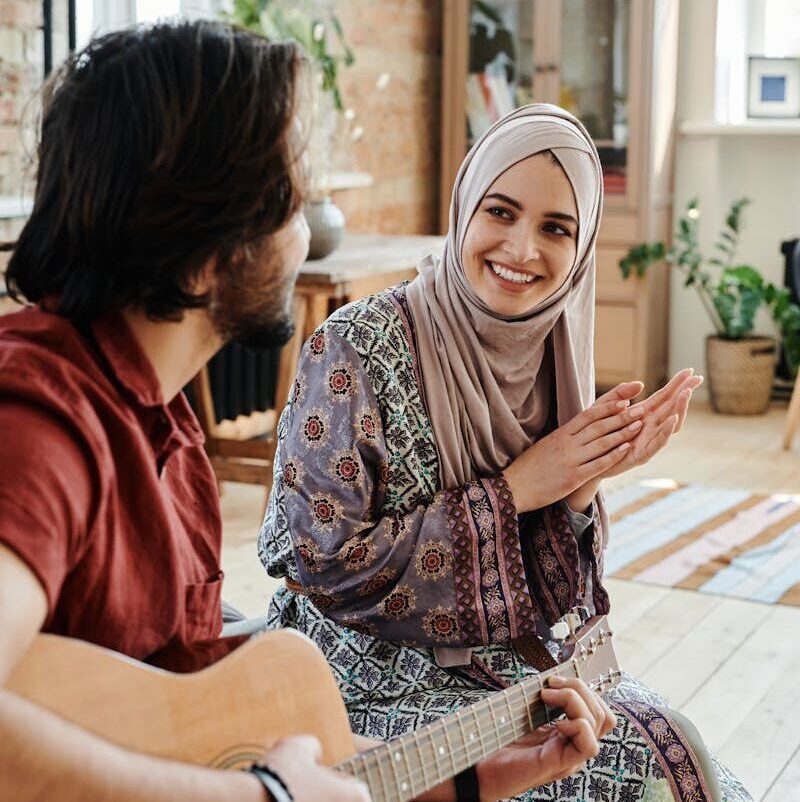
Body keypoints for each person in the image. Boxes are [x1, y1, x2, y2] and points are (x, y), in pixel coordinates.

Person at [0, 21, 617, 802]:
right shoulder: (42, 424)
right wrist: (266, 796)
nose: (308, 231)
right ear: (212, 231)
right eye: (296, 198)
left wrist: (481, 778)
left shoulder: (162, 427)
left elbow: (192, 733)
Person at [259, 104, 753, 802]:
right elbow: (317, 563)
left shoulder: (555, 357)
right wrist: (518, 488)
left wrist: (580, 484)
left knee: (677, 750)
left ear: (581, 249)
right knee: (637, 768)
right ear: (465, 207)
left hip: (505, 667)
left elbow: (550, 605)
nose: (522, 250)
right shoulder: (353, 346)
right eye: (500, 212)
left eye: (556, 228)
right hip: (353, 672)